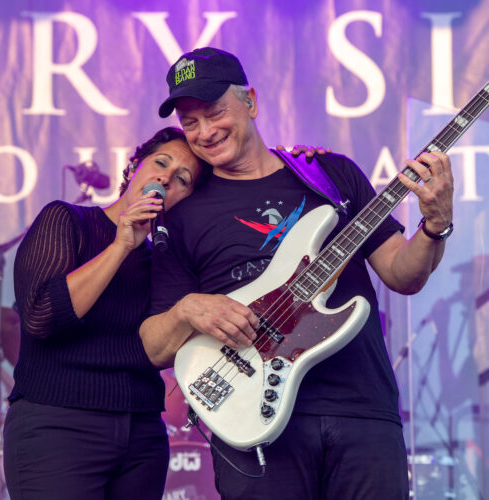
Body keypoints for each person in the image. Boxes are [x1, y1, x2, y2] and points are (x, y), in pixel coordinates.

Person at [139, 47, 454, 500]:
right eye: (191, 122)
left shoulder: (329, 174)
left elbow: (402, 275)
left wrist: (435, 226)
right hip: (254, 422)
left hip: (361, 408)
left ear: (250, 102)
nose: (205, 132)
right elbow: (154, 346)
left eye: (215, 112)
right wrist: (188, 309)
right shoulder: (183, 214)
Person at [3, 126, 205, 500]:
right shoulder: (67, 220)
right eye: (160, 163)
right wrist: (120, 246)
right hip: (57, 426)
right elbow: (41, 318)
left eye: (182, 179)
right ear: (134, 167)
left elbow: (164, 351)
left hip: (142, 434)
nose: (166, 179)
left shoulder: (167, 260)